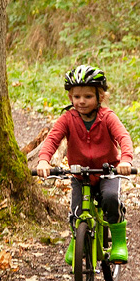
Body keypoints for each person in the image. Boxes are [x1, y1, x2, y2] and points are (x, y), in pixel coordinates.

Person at [36, 64, 134, 265]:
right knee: (77, 210)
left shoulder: (108, 117)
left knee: (110, 199)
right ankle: (76, 240)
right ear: (70, 97)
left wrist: (125, 160)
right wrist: (44, 160)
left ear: (100, 97)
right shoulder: (67, 118)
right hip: (80, 174)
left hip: (108, 172)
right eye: (76, 96)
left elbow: (123, 138)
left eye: (88, 96)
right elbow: (52, 139)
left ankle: (117, 242)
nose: (81, 101)